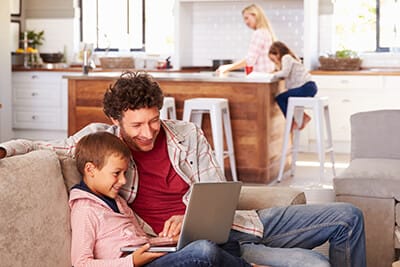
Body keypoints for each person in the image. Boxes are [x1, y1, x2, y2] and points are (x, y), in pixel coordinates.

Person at [0, 71, 366, 267]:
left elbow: (215, 189)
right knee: (309, 264)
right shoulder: (98, 141)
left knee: (349, 216)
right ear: (115, 120)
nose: (147, 133)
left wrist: (188, 211)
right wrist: (4, 148)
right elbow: (40, 146)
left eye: (154, 121)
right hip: (189, 247)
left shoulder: (186, 134)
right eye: (136, 126)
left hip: (240, 225)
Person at [70, 131, 260, 267]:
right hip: (133, 264)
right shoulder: (85, 210)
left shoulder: (116, 200)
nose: (123, 180)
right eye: (116, 173)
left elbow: (141, 240)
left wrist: (170, 241)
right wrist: (132, 262)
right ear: (90, 169)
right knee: (204, 251)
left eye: (125, 173)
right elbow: (81, 262)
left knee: (223, 242)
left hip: (149, 256)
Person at [269, 41, 318, 130]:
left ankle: (291, 122)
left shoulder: (286, 57)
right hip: (309, 87)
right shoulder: (290, 58)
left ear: (277, 53)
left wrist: (272, 75)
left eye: (273, 59)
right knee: (288, 98)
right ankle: (304, 117)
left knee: (280, 98)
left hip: (306, 87)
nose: (274, 62)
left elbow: (285, 73)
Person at [216, 3, 276, 75]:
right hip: (267, 78)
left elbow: (250, 60)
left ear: (255, 15)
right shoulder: (266, 32)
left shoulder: (259, 33)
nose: (245, 22)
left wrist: (227, 67)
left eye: (246, 18)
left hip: (261, 78)